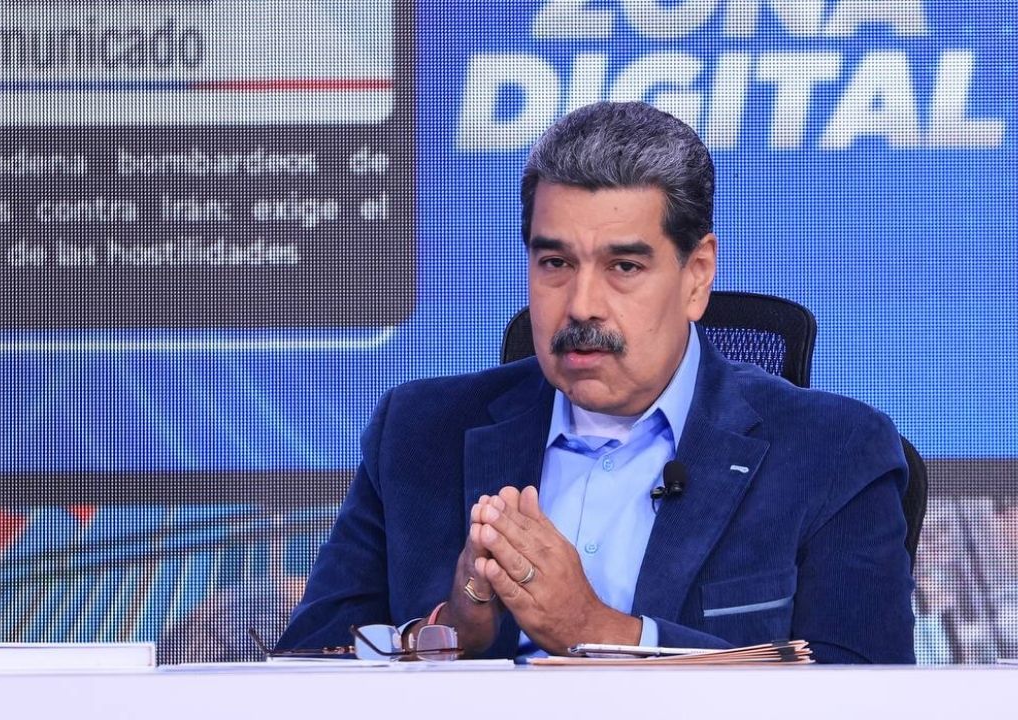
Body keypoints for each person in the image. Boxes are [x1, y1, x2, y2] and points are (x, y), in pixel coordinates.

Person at [276, 101, 914, 663]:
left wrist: (599, 630)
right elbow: (305, 664)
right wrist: (446, 633)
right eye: (555, 262)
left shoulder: (833, 451)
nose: (581, 305)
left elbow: (863, 691)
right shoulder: (419, 433)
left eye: (624, 266)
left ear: (696, 275)